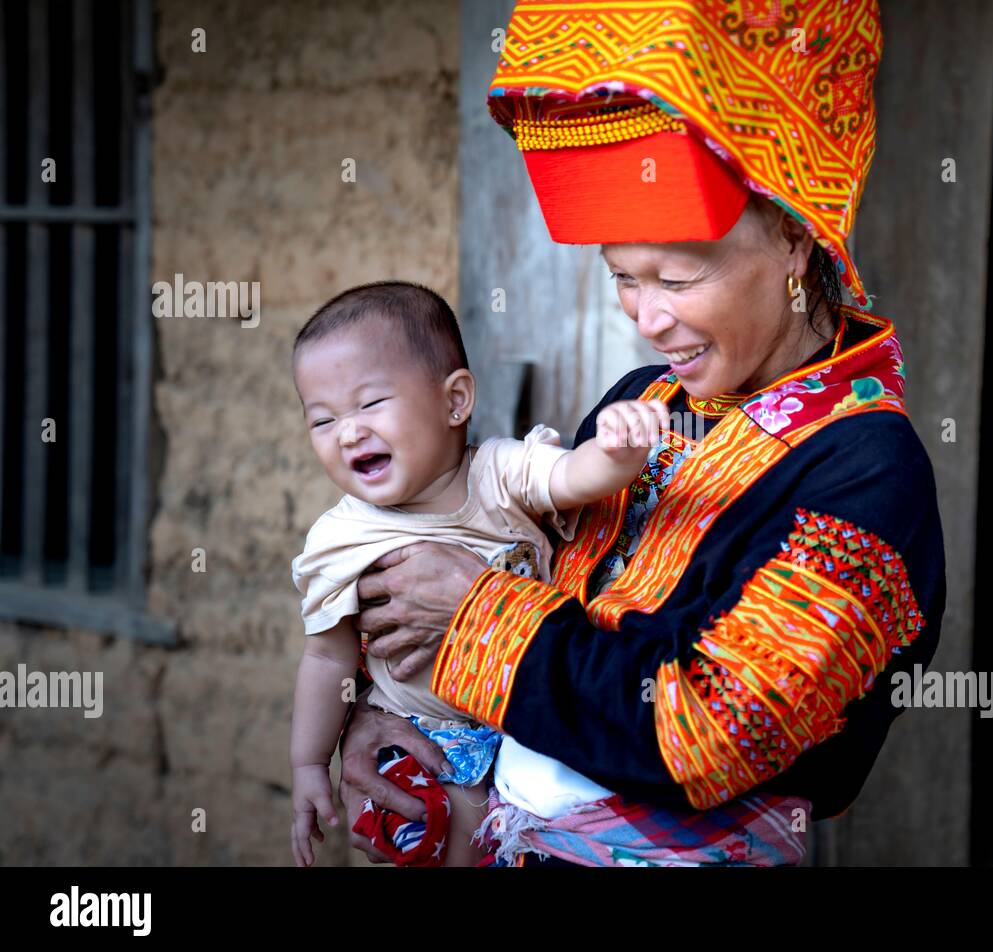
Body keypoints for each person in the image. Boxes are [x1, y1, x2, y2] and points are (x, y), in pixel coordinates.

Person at [339, 0, 948, 866]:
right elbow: (516, 560)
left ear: (793, 241)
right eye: (622, 276)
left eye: (678, 274)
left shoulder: (866, 473)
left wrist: (474, 613)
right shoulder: (642, 401)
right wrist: (382, 705)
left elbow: (705, 733)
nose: (649, 318)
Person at [288, 280, 671, 866]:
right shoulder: (339, 540)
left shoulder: (500, 470)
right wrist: (310, 763)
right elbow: (327, 659)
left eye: (369, 404)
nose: (348, 432)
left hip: (533, 719)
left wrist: (619, 449)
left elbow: (575, 477)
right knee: (453, 844)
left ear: (454, 400)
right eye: (322, 420)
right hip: (427, 733)